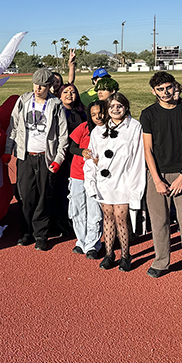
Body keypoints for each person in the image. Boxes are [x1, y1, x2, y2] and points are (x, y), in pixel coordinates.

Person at [141, 72, 182, 286]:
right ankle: (161, 262)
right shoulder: (148, 114)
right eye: (160, 89)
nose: (165, 92)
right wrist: (158, 180)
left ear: (174, 86)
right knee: (159, 222)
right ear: (154, 91)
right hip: (157, 175)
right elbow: (148, 150)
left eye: (168, 87)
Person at [5, 67, 69, 251]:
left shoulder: (55, 105)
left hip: (45, 158)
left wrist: (58, 158)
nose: (37, 88)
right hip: (26, 156)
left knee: (43, 197)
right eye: (35, 84)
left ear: (49, 86)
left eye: (42, 85)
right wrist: (8, 150)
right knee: (25, 196)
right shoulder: (23, 101)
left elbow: (63, 135)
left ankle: (41, 234)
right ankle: (26, 232)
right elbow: (13, 126)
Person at [85, 93, 145, 271]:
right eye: (112, 106)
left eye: (119, 105)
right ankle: (109, 254)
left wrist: (135, 186)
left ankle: (126, 255)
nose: (116, 109)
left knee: (121, 217)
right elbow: (91, 155)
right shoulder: (99, 130)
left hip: (124, 180)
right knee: (108, 216)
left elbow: (137, 157)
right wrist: (92, 179)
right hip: (105, 182)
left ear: (126, 107)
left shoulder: (134, 127)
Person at [66, 100, 107, 259]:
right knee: (78, 209)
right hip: (77, 174)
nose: (98, 117)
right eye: (93, 114)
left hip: (96, 177)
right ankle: (81, 241)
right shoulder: (83, 128)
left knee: (94, 210)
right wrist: (82, 151)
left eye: (100, 113)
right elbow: (72, 148)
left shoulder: (109, 130)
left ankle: (93, 244)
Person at [52, 83, 87, 235]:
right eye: (65, 91)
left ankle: (78, 219)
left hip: (77, 157)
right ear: (59, 95)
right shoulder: (55, 112)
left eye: (72, 92)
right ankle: (61, 220)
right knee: (61, 189)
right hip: (61, 157)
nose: (69, 94)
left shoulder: (82, 113)